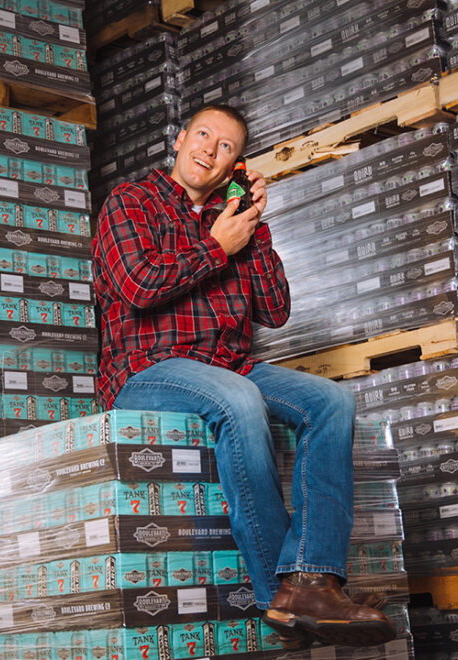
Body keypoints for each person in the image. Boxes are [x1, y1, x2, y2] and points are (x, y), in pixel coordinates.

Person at [92, 104, 396, 650]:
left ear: (235, 162)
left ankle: (311, 577)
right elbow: (138, 286)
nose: (209, 150)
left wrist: (253, 228)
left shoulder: (239, 220)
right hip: (146, 371)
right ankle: (276, 593)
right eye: (203, 136)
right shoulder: (130, 203)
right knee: (238, 399)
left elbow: (275, 311)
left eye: (226, 146)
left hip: (227, 363)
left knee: (331, 401)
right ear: (181, 138)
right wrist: (216, 248)